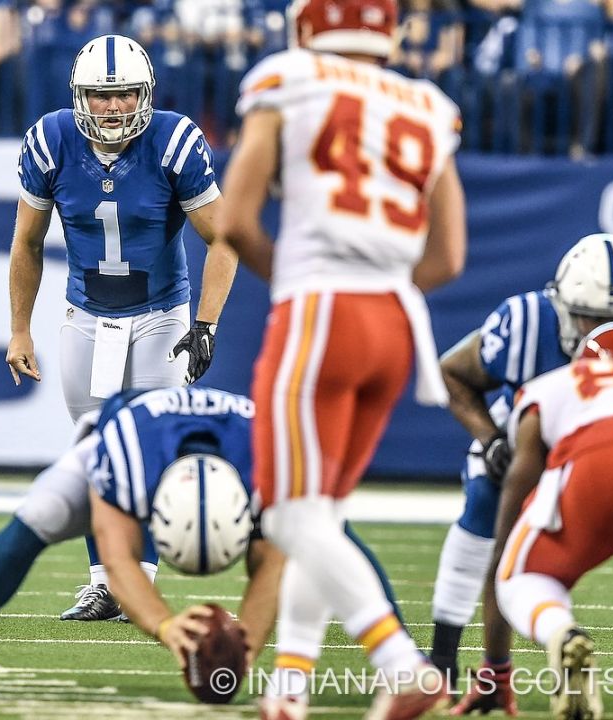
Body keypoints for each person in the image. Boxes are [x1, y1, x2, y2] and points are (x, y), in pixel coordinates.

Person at [219, 1, 467, 717]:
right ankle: (289, 686)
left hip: (321, 310)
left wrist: (300, 280)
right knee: (320, 514)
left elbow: (234, 219)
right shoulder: (428, 102)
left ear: (307, 25)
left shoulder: (289, 77)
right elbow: (449, 256)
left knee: (291, 517)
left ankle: (400, 662)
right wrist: (377, 284)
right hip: (396, 319)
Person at [6, 33, 239, 622]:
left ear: (146, 94)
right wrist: (19, 329)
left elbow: (223, 240)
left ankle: (142, 579)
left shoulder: (173, 140)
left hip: (162, 312)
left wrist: (205, 323)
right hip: (86, 312)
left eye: (126, 95)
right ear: (80, 97)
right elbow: (26, 244)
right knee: (94, 446)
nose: (113, 108)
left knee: (154, 447)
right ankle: (103, 582)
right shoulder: (51, 139)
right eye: (101, 96)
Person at [0, 386, 283, 693]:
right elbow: (118, 562)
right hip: (124, 433)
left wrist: (243, 652)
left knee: (315, 532)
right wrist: (165, 627)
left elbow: (271, 562)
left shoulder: (266, 464)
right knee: (38, 517)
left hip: (213, 443)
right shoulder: (127, 460)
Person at [426, 233, 613, 711]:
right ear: (563, 307)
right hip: (528, 440)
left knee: (516, 567)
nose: (610, 328)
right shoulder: (527, 322)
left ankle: (505, 664)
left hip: (584, 447)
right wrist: (489, 438)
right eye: (594, 315)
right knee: (484, 510)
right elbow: (452, 371)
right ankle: (442, 662)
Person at [488, 322, 613, 720]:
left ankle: (560, 630)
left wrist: (504, 550)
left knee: (520, 578)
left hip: (596, 457)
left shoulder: (556, 383)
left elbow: (517, 486)